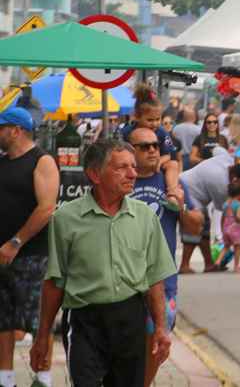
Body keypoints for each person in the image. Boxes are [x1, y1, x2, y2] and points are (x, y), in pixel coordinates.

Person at [31, 139, 178, 386]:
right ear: (95, 174)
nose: (132, 174)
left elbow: (154, 279)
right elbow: (55, 281)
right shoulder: (65, 218)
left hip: (130, 319)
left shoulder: (144, 216)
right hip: (84, 322)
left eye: (133, 166)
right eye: (121, 167)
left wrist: (161, 328)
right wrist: (42, 335)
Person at [128, 126, 203, 385]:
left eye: (155, 146)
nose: (152, 150)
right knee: (127, 345)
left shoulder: (171, 183)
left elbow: (195, 226)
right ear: (129, 151)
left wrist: (180, 206)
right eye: (144, 146)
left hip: (163, 282)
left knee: (155, 342)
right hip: (124, 280)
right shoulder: (122, 181)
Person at [0, 107, 59, 387]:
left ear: (16, 130)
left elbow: (46, 208)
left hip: (32, 255)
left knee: (39, 320)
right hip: (2, 255)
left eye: (1, 129)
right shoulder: (2, 162)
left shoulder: (42, 161)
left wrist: (16, 242)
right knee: (3, 318)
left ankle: (43, 377)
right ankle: (5, 377)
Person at [179, 147, 240, 274]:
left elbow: (217, 150)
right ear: (236, 179)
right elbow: (223, 207)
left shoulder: (228, 159)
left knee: (205, 227)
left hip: (187, 186)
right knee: (193, 225)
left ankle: (209, 264)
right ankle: (184, 265)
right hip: (186, 193)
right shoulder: (220, 182)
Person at [215, 184, 240, 272]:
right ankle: (236, 266)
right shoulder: (239, 205)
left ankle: (218, 262)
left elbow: (222, 218)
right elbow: (238, 216)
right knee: (237, 247)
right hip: (234, 229)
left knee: (226, 246)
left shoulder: (225, 204)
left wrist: (222, 229)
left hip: (225, 228)